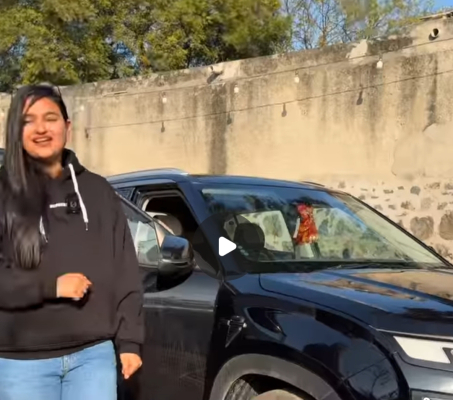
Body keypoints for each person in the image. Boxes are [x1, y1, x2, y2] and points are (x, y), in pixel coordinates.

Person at [0, 84, 144, 400]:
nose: (41, 128)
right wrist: (51, 287)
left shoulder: (98, 191)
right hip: (21, 361)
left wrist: (130, 342)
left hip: (94, 357)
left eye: (50, 118)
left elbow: (125, 269)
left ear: (67, 127)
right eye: (28, 121)